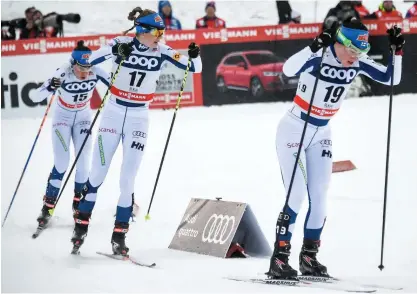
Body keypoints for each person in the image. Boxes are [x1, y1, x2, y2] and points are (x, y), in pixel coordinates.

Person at [267, 19, 404, 279]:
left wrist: (396, 51)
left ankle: (309, 257)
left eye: (359, 53)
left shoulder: (356, 60)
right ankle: (279, 258)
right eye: (351, 51)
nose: (355, 59)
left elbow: (391, 78)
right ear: (339, 44)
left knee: (319, 198)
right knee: (295, 194)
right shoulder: (320, 54)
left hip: (322, 132)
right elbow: (288, 68)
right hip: (294, 128)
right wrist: (313, 47)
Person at [70, 7, 202, 256]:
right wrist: (114, 52)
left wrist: (196, 55)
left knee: (127, 180)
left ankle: (119, 235)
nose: (160, 35)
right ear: (142, 31)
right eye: (156, 31)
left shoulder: (162, 50)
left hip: (139, 117)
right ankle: (81, 226)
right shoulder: (120, 42)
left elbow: (195, 68)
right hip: (113, 112)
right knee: (97, 175)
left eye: (162, 31)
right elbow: (88, 61)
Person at [32, 40, 110, 229]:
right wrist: (50, 86)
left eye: (88, 68)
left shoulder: (96, 71)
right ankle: (48, 206)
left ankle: (78, 204)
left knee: (83, 162)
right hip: (63, 118)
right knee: (62, 161)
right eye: (81, 68)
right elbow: (35, 96)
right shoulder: (63, 71)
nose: (85, 73)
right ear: (73, 64)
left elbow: (117, 87)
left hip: (83, 117)